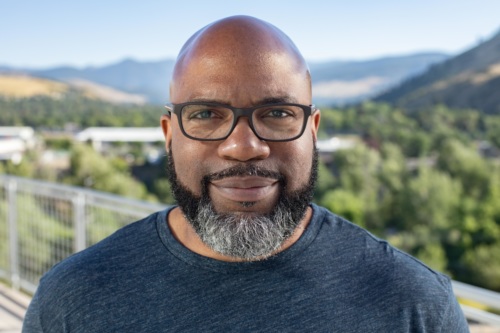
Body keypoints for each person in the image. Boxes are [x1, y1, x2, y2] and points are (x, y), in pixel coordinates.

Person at [23, 15, 469, 332]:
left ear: (312, 131)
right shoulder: (73, 300)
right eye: (205, 115)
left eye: (277, 112)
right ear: (169, 134)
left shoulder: (414, 304)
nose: (243, 146)